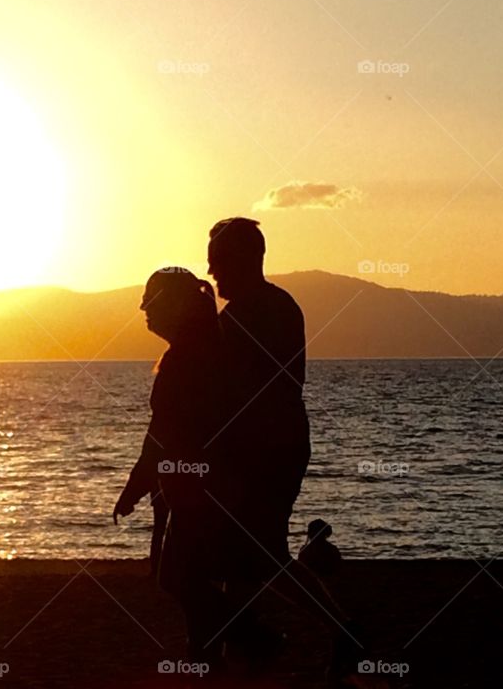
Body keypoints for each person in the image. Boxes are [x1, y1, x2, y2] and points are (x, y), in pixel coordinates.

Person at [207, 218, 365, 680]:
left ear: (243, 260)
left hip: (265, 450)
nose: (212, 272)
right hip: (283, 442)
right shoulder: (280, 306)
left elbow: (239, 389)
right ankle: (238, 649)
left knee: (261, 552)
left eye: (218, 262)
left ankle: (337, 630)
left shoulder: (244, 316)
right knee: (245, 552)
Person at [113, 268, 230, 664]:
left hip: (199, 489)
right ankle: (206, 655)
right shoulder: (197, 350)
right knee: (187, 575)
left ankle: (250, 637)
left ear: (174, 305)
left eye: (152, 303)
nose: (144, 311)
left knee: (178, 575)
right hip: (196, 485)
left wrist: (135, 487)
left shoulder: (186, 358)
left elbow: (162, 433)